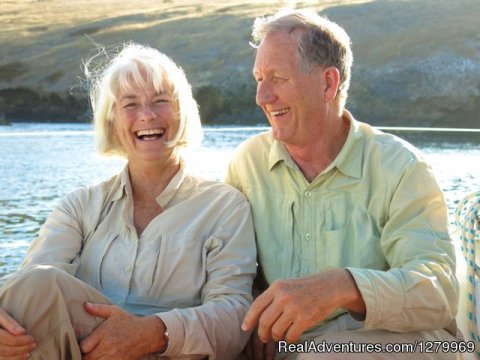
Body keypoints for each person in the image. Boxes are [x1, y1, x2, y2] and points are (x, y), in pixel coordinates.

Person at [225, 9, 459, 360]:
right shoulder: (247, 163)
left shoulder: (401, 167)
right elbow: (229, 265)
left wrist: (344, 287)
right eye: (259, 79)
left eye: (277, 78)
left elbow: (438, 291)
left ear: (328, 83)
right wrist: (257, 308)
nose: (262, 96)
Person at [0, 43, 256, 360]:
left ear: (183, 114)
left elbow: (234, 318)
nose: (147, 115)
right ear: (111, 123)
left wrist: (153, 333)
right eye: (130, 104)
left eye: (161, 101)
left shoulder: (225, 207)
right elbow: (30, 289)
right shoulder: (79, 206)